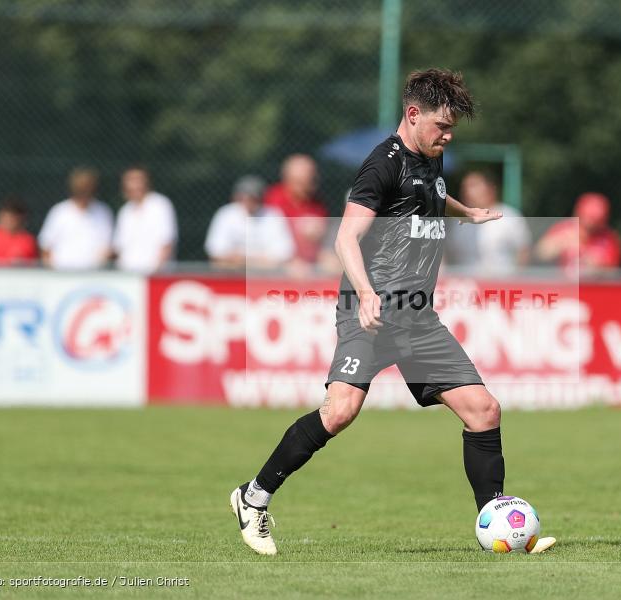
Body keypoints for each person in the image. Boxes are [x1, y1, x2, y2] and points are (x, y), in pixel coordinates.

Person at [229, 68, 555, 556]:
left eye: (452, 130)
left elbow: (430, 202)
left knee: (484, 410)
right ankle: (252, 499)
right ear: (413, 114)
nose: (448, 137)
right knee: (340, 412)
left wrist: (469, 214)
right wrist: (365, 292)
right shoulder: (382, 165)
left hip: (418, 318)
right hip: (372, 312)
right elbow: (346, 237)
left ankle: (498, 522)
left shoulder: (431, 159)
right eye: (442, 127)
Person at [445, 171, 531, 274]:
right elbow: (447, 255)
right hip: (467, 286)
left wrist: (516, 278)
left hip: (502, 284)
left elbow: (524, 251)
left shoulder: (509, 216)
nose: (467, 191)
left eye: (473, 186)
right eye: (464, 187)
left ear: (490, 189)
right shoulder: (457, 221)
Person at [205, 175, 296, 269]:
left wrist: (244, 260)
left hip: (265, 274)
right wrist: (256, 260)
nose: (247, 202)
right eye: (242, 197)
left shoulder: (272, 215)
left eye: (252, 198)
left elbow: (284, 253)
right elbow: (215, 251)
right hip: (230, 272)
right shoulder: (226, 214)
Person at [38, 167, 113, 270]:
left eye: (88, 188)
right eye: (81, 189)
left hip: (94, 276)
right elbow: (46, 247)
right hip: (63, 274)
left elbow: (108, 247)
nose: (84, 192)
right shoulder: (59, 212)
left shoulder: (103, 211)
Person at [263, 154, 329, 268]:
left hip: (309, 259)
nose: (307, 186)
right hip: (280, 261)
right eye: (300, 182)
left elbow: (321, 238)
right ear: (287, 178)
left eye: (311, 180)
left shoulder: (316, 203)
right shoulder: (272, 199)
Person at [534, 193, 621, 275]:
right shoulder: (564, 229)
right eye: (585, 222)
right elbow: (540, 253)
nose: (588, 227)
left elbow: (611, 269)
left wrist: (588, 258)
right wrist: (560, 243)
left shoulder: (607, 237)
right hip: (562, 286)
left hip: (595, 287)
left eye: (594, 223)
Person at [113, 165, 178, 273]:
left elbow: (166, 243)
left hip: (155, 276)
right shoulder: (125, 211)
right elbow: (119, 248)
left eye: (138, 180)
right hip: (128, 276)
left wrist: (155, 273)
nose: (134, 185)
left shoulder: (160, 204)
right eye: (130, 180)